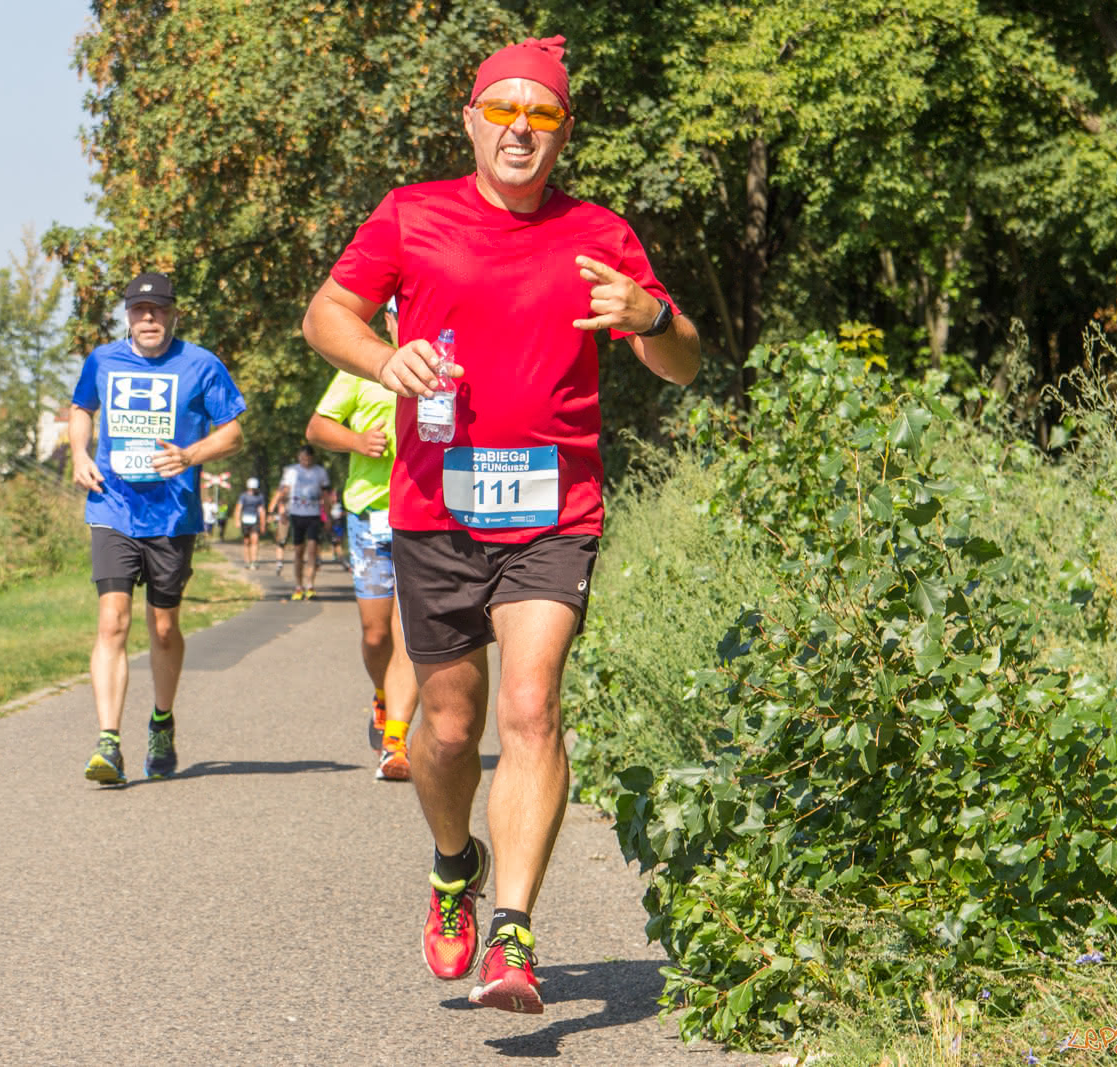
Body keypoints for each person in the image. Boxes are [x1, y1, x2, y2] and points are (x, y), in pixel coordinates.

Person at [301, 36, 700, 1014]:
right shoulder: (413, 214)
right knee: (445, 725)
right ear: (472, 120)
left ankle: (513, 929)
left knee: (530, 705)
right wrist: (381, 359)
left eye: (544, 114)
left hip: (553, 507)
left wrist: (649, 316)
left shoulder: (599, 232)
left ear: (563, 130)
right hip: (434, 508)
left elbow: (682, 362)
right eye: (504, 111)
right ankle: (454, 867)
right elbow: (326, 314)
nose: (522, 129)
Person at [69, 271, 247, 785]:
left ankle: (162, 721)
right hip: (112, 506)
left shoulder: (200, 364)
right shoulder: (102, 360)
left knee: (163, 627)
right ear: (127, 314)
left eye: (159, 310)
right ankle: (108, 742)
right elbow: (82, 408)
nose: (149, 319)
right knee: (113, 620)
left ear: (173, 314)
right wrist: (80, 453)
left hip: (172, 515)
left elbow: (232, 432)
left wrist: (192, 454)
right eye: (140, 311)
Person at [305, 297, 418, 781]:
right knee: (376, 634)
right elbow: (316, 427)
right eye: (397, 311)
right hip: (370, 514)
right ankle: (381, 694)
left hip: (424, 516)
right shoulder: (362, 365)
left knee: (409, 633)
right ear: (388, 318)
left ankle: (396, 741)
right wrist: (357, 441)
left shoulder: (445, 365)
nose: (404, 319)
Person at [268, 444, 331, 600]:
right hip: (296, 514)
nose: (306, 461)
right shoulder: (292, 471)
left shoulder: (320, 472)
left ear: (313, 458)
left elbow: (326, 496)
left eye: (308, 459)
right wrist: (279, 510)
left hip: (313, 515)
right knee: (298, 552)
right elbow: (283, 491)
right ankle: (298, 586)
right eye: (303, 458)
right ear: (299, 457)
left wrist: (328, 517)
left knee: (311, 550)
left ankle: (310, 586)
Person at [234, 476, 267, 569]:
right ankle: (247, 561)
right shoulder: (243, 496)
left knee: (255, 541)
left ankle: (254, 561)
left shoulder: (260, 497)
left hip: (255, 521)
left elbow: (261, 511)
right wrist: (237, 521)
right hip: (245, 521)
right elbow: (238, 509)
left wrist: (263, 524)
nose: (253, 490)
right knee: (246, 542)